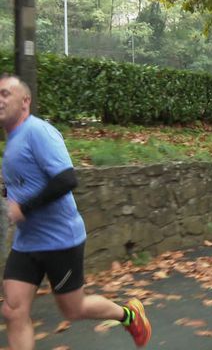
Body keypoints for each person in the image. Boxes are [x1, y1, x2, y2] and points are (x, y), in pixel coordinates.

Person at [0, 75, 151, 349]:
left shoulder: (38, 132)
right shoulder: (12, 140)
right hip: (27, 242)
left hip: (60, 240)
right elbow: (22, 185)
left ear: (25, 101)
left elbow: (67, 179)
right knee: (12, 311)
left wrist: (25, 207)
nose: (0, 99)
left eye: (5, 93)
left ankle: (128, 314)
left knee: (73, 309)